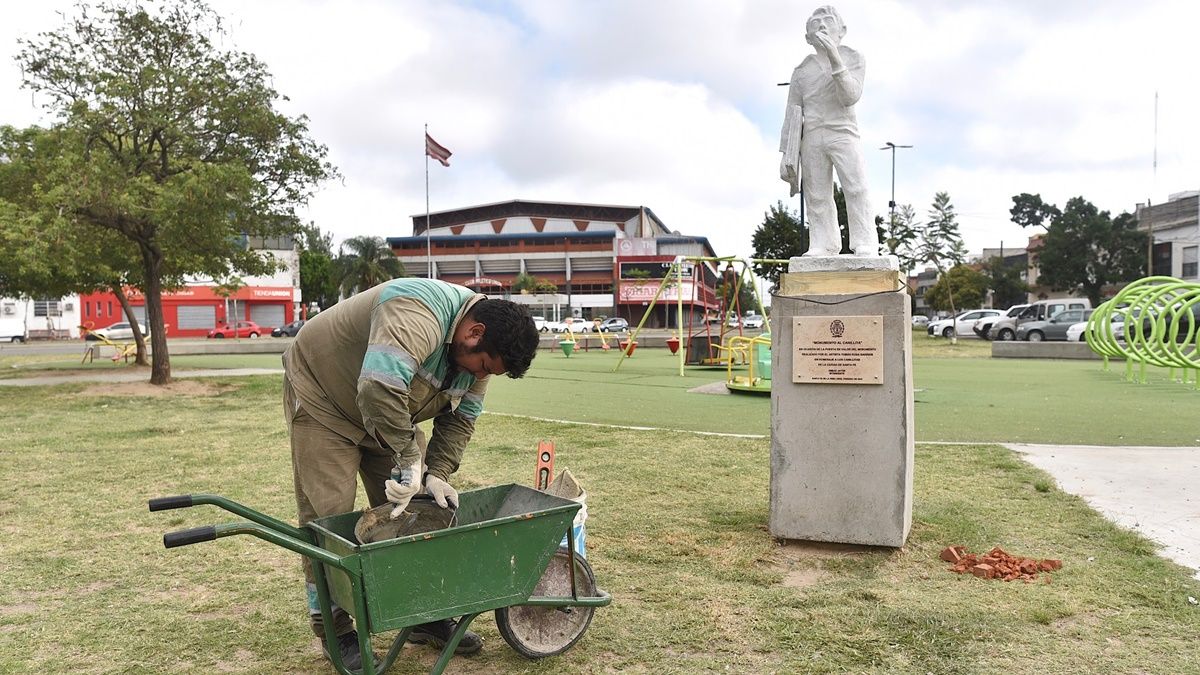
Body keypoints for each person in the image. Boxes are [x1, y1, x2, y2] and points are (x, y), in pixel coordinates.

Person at [283, 277, 540, 670]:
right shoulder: (416, 311)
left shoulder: (480, 361)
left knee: (420, 510)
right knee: (328, 519)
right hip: (326, 401)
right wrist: (408, 458)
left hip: (385, 414)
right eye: (484, 365)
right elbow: (378, 388)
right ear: (474, 332)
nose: (481, 376)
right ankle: (335, 629)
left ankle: (423, 612)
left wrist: (435, 471)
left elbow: (462, 421)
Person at [779, 5, 877, 256]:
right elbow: (792, 114)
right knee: (816, 193)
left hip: (843, 132)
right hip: (812, 136)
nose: (822, 25)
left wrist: (835, 57)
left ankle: (864, 240)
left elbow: (850, 96)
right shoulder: (801, 72)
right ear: (807, 37)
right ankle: (823, 243)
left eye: (828, 20)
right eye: (816, 22)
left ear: (841, 30)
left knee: (856, 186)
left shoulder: (853, 58)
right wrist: (786, 155)